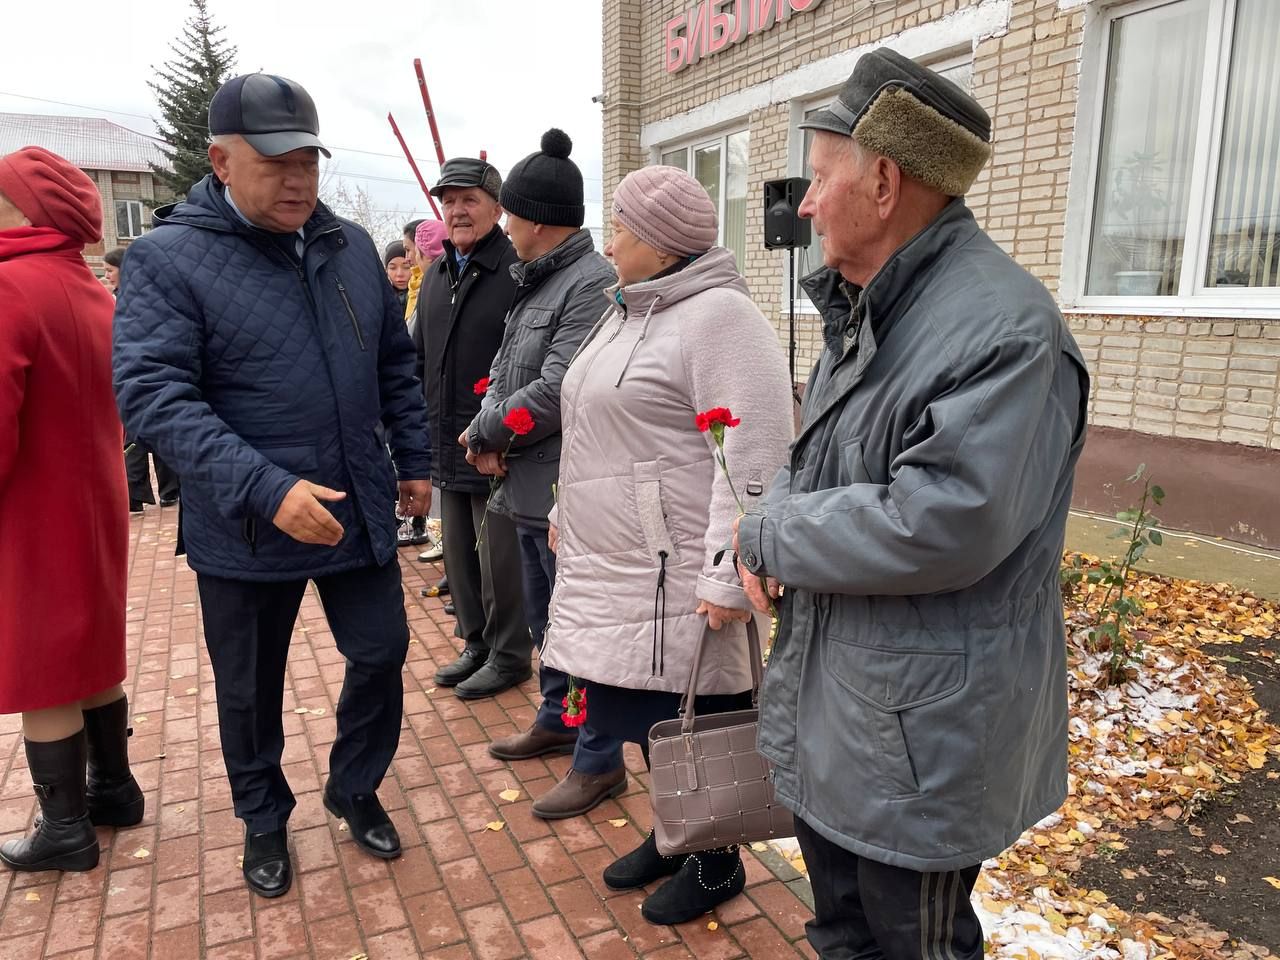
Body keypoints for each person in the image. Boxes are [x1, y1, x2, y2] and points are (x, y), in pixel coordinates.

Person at [731, 50, 1090, 960]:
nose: (804, 205)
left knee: (913, 944)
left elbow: (939, 524)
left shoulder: (1004, 329)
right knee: (842, 931)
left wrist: (771, 531)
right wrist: (766, 540)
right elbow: (828, 468)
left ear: (884, 181)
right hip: (851, 713)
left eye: (818, 179)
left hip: (919, 740)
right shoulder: (872, 305)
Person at [113, 73, 432, 899]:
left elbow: (395, 364)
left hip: (356, 504)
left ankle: (354, 786)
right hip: (249, 523)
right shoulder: (167, 258)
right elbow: (154, 396)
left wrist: (418, 460)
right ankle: (263, 817)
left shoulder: (350, 247)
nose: (298, 181)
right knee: (249, 687)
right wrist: (264, 487)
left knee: (383, 650)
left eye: (309, 164)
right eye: (277, 163)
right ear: (221, 161)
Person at [539, 165, 793, 923]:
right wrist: (565, 507)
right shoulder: (626, 311)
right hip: (618, 559)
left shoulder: (719, 316)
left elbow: (753, 449)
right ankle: (674, 832)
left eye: (618, 227)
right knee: (647, 715)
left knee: (694, 714)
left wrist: (727, 569)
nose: (609, 240)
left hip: (675, 566)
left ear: (657, 240)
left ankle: (717, 862)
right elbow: (591, 422)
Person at [464, 129, 624, 819]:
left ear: (533, 219)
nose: (504, 225)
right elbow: (507, 372)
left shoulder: (587, 284)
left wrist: (490, 431)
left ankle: (598, 754)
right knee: (548, 624)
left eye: (509, 214)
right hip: (526, 484)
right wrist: (485, 431)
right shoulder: (538, 280)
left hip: (566, 489)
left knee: (578, 626)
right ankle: (559, 716)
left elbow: (560, 389)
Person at [0, 146, 143, 873]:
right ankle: (112, 788)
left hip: (32, 508)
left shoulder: (9, 288)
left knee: (40, 664)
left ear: (27, 210)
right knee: (90, 648)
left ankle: (64, 829)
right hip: (95, 496)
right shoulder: (96, 293)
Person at [413, 157, 530, 700]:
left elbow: (526, 363)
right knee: (458, 553)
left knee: (498, 559)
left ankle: (510, 655)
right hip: (443, 438)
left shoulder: (513, 271)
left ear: (496, 206)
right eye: (449, 201)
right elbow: (419, 357)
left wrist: (503, 433)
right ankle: (475, 643)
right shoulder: (436, 276)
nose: (457, 211)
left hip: (494, 445)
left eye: (469, 200)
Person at [103, 245, 182, 510]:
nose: (106, 276)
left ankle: (167, 491)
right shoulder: (115, 297)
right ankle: (137, 494)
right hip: (128, 374)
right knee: (134, 438)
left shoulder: (142, 295)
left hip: (150, 372)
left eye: (109, 270)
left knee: (154, 431)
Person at [383, 239, 411, 310]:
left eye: (406, 267)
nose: (399, 274)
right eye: (392, 268)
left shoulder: (424, 295)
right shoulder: (380, 297)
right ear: (386, 270)